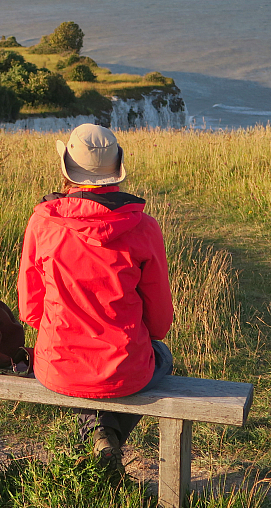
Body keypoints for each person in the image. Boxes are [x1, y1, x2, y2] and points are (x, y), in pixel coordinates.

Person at [17, 123, 174, 469]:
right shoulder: (145, 227)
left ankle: (96, 432)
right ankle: (105, 431)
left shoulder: (43, 222)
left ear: (67, 169)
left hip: (57, 365)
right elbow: (160, 324)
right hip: (124, 368)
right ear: (116, 171)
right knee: (161, 355)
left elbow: (30, 311)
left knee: (83, 367)